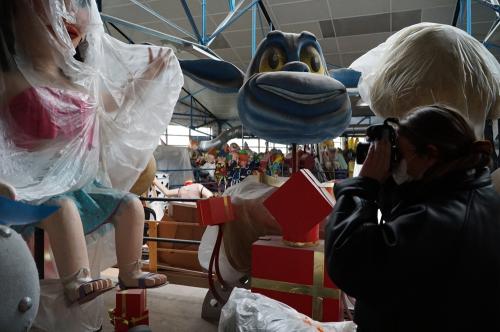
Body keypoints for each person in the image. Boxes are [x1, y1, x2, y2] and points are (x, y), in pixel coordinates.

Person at [0, 0, 182, 304]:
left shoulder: (84, 82)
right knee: (63, 208)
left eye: (78, 4)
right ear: (16, 11)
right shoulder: (9, 79)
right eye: (55, 4)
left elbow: (116, 107)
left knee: (130, 206)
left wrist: (149, 74)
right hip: (31, 189)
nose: (69, 14)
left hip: (82, 185)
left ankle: (130, 271)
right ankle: (78, 279)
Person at [325, 105, 500, 332]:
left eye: (400, 154)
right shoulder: (477, 196)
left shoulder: (435, 221)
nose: (395, 161)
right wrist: (392, 185)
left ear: (430, 155)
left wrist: (363, 186)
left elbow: (347, 260)